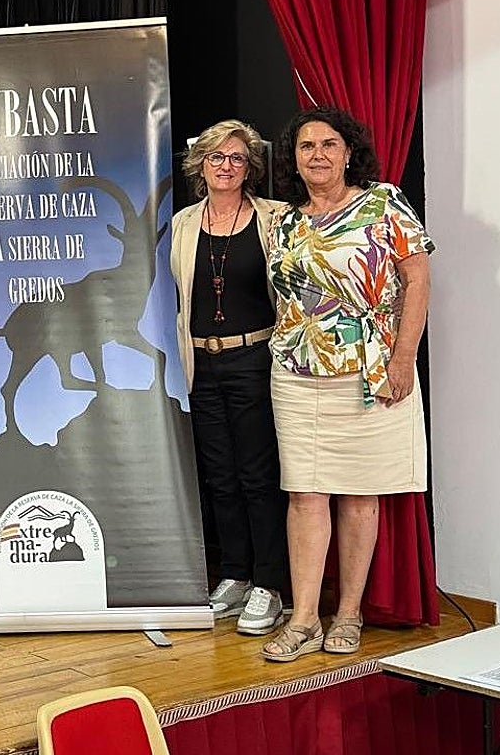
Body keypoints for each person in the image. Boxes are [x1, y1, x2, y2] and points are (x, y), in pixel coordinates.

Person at [260, 106, 434, 663]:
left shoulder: (384, 202)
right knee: (305, 494)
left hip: (372, 371)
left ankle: (350, 614)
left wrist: (403, 357)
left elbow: (417, 277)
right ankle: (306, 617)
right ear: (294, 159)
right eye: (306, 146)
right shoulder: (286, 221)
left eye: (328, 144)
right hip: (296, 372)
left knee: (361, 493)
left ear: (348, 151)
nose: (317, 154)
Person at [172, 120, 289, 637]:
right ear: (200, 164)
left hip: (256, 359)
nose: (225, 165)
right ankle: (236, 574)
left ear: (250, 167)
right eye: (216, 156)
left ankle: (270, 584)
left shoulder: (275, 218)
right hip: (201, 363)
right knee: (218, 477)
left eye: (237, 158)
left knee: (258, 477)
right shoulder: (180, 224)